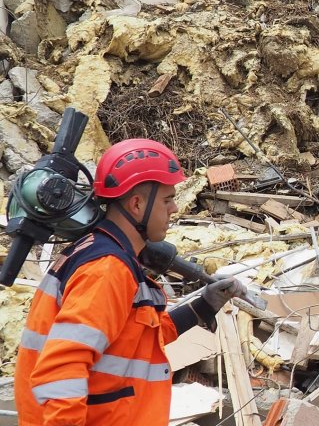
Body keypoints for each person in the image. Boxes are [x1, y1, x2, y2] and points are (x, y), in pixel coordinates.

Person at [15, 139, 247, 426]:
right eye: (167, 199)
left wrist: (203, 306)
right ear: (136, 204)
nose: (174, 208)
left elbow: (131, 339)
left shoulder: (103, 254)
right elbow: (62, 370)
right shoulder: (107, 269)